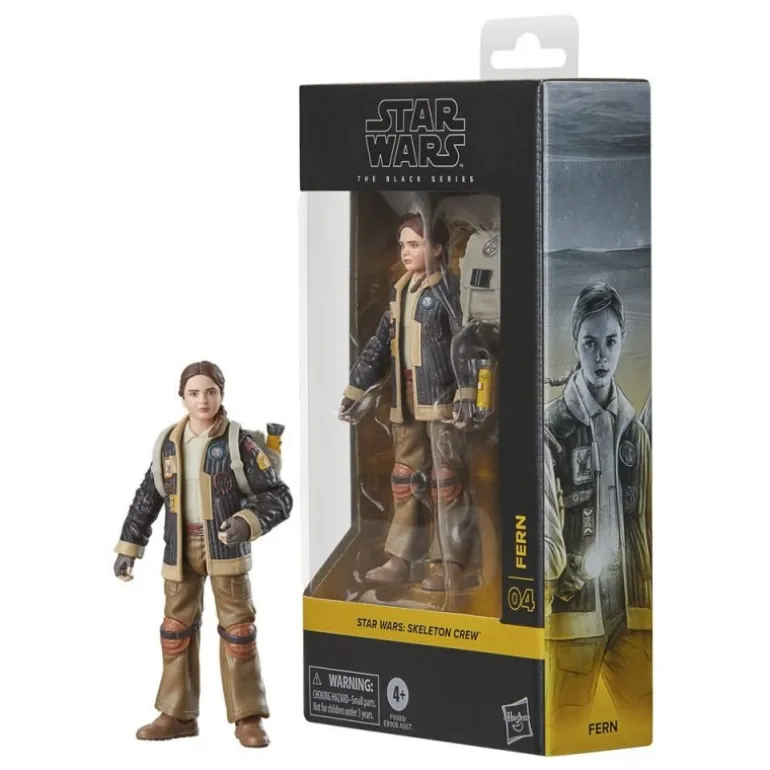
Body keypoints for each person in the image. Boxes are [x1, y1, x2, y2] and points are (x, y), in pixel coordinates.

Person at [113, 361, 292, 747]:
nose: (203, 400)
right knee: (174, 631)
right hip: (180, 548)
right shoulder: (168, 443)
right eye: (194, 393)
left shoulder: (239, 443)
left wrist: (245, 522)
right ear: (182, 397)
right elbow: (148, 497)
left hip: (225, 548)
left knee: (239, 632)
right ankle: (176, 713)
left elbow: (278, 496)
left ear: (221, 394)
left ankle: (247, 716)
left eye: (210, 392)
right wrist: (129, 547)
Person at [339, 212, 476, 591]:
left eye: (414, 244)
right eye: (403, 245)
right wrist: (355, 390)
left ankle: (450, 562)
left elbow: (466, 343)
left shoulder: (449, 293)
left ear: (437, 248)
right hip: (406, 401)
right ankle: (400, 558)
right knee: (405, 480)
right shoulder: (400, 293)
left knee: (446, 482)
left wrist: (466, 392)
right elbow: (379, 347)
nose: (405, 252)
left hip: (442, 403)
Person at [543, 284, 652, 731]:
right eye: (590, 343)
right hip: (574, 619)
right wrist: (554, 578)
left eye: (610, 341)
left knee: (643, 720)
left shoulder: (635, 434)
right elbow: (540, 526)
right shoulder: (552, 428)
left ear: (623, 339)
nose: (601, 356)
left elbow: (646, 520)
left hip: (632, 615)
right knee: (564, 726)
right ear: (575, 343)